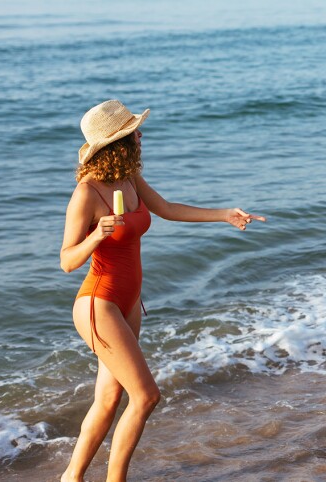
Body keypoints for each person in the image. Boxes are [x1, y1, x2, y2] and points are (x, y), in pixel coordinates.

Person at [59, 100, 265, 482]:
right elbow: (67, 260)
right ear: (117, 143)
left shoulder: (129, 179)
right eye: (133, 132)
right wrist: (96, 236)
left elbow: (168, 208)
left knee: (109, 399)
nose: (141, 135)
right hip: (98, 304)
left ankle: (72, 477)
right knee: (146, 396)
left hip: (129, 303)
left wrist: (223, 214)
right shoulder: (87, 194)